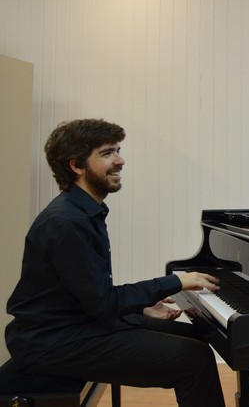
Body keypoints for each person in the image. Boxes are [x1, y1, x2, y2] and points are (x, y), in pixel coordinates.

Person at [5, 119, 225, 407]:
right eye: (107, 153)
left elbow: (88, 293)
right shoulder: (67, 221)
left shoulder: (82, 211)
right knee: (194, 358)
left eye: (118, 151)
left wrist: (140, 307)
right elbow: (101, 302)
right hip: (53, 341)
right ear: (77, 165)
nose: (120, 161)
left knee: (197, 335)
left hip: (75, 323)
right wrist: (176, 282)